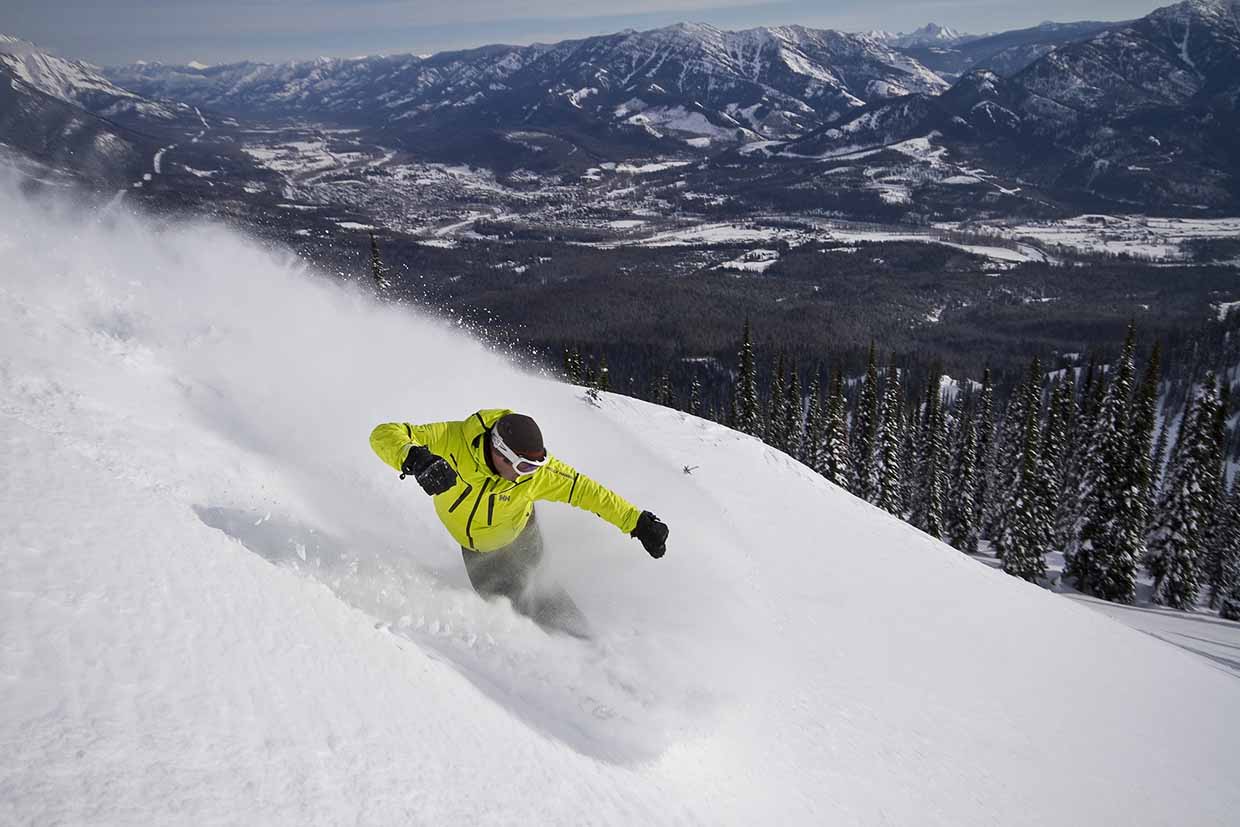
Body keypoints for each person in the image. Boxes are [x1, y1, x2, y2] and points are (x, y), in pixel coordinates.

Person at [370, 409, 668, 636]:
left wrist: (638, 523)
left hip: (522, 539)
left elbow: (589, 493)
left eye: (535, 467)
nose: (529, 474)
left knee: (541, 595)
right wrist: (416, 459)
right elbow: (384, 434)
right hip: (477, 553)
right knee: (506, 609)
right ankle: (540, 667)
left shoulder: (537, 475)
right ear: (500, 452)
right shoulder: (451, 441)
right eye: (524, 466)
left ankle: (585, 648)